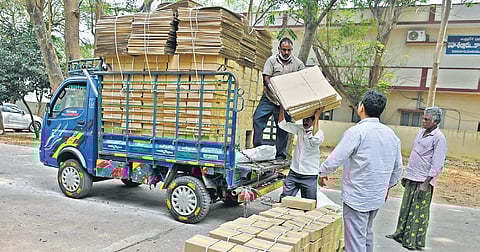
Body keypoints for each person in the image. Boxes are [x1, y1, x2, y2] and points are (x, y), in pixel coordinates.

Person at [318, 90, 403, 252]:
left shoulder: (356, 132)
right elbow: (397, 168)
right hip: (376, 196)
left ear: (361, 107)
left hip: (357, 196)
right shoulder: (391, 135)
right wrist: (387, 187)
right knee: (366, 233)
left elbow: (335, 158)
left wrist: (321, 172)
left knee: (355, 240)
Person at [386, 107, 447, 251]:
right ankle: (399, 234)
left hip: (424, 180)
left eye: (427, 119)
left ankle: (413, 241)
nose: (423, 121)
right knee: (405, 208)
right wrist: (406, 176)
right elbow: (415, 156)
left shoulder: (439, 138)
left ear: (436, 122)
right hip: (412, 176)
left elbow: (437, 164)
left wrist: (427, 182)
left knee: (418, 212)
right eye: (423, 118)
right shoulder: (420, 133)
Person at [253, 37, 305, 164]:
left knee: (283, 127)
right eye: (284, 50)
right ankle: (258, 150)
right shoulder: (271, 61)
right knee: (257, 119)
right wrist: (273, 88)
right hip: (269, 97)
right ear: (279, 49)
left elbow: (303, 79)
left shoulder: (298, 64)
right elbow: (266, 77)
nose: (286, 52)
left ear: (292, 50)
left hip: (285, 101)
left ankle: (280, 155)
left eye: (289, 50)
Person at [278, 106, 324, 201]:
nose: (305, 122)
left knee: (309, 203)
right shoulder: (299, 129)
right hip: (294, 172)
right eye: (304, 120)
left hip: (309, 175)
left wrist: (317, 117)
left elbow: (314, 139)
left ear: (313, 121)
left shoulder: (319, 133)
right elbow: (282, 125)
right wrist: (281, 108)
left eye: (308, 120)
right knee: (284, 200)